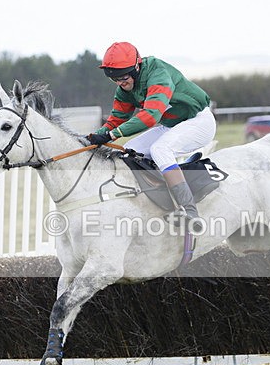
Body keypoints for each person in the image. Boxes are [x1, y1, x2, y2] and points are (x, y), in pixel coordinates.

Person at [87, 42, 216, 227]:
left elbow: (150, 116)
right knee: (128, 150)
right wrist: (92, 137)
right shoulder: (123, 88)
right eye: (114, 79)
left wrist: (111, 135)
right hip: (173, 125)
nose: (120, 83)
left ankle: (190, 210)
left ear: (137, 67)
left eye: (123, 77)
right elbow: (116, 118)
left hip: (198, 121)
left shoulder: (158, 74)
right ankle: (157, 199)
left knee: (160, 149)